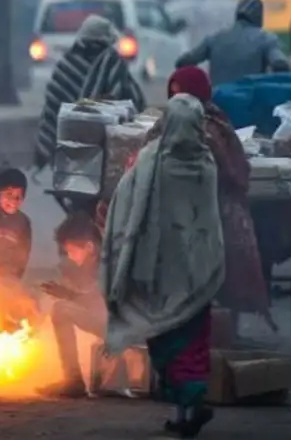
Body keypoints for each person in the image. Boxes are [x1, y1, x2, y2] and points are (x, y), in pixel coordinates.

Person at [103, 94, 225, 438]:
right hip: (197, 270)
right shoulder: (206, 163)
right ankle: (186, 412)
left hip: (159, 271)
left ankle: (186, 408)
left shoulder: (151, 161)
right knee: (194, 341)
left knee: (166, 338)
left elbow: (126, 201)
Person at [146, 68, 273, 327]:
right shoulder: (166, 123)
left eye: (181, 93)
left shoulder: (213, 127)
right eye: (173, 94)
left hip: (213, 205)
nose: (176, 99)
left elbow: (231, 170)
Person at [33, 14, 146, 172]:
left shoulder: (66, 64)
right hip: (105, 149)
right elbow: (131, 99)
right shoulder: (111, 62)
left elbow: (51, 110)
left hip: (69, 147)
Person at [40, 213, 106, 398]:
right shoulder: (90, 265)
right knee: (61, 307)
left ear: (89, 247)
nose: (70, 256)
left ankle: (73, 380)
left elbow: (98, 303)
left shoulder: (107, 265)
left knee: (61, 310)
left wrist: (68, 295)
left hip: (124, 327)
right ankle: (73, 379)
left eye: (72, 251)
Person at [175, 0, 290, 87]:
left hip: (218, 103)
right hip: (251, 102)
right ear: (260, 17)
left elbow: (183, 62)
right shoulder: (266, 39)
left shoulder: (215, 38)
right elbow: (280, 64)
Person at [0, 167, 33, 282]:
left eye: (18, 197)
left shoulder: (23, 223)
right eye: (9, 194)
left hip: (5, 282)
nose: (13, 201)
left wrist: (12, 281)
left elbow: (22, 257)